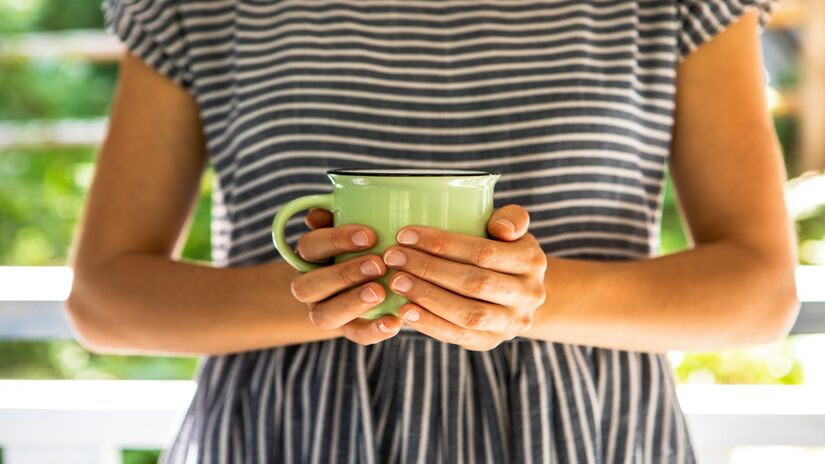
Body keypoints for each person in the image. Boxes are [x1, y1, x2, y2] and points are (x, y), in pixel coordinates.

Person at [66, 0, 798, 462]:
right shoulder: (198, 8)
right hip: (283, 436)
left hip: (587, 437)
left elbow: (759, 293)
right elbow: (103, 300)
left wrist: (526, 296)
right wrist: (328, 291)